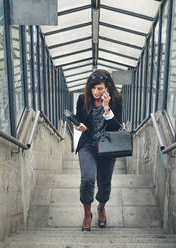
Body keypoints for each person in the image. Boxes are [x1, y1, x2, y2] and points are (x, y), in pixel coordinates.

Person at [73, 69, 122, 231]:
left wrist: (107, 108)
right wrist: (77, 124)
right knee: (87, 179)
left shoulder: (117, 100)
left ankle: (101, 207)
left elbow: (116, 127)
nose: (95, 92)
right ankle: (87, 214)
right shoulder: (82, 99)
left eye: (99, 88)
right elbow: (78, 118)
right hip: (88, 144)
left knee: (105, 183)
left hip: (107, 146)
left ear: (107, 88)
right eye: (93, 88)